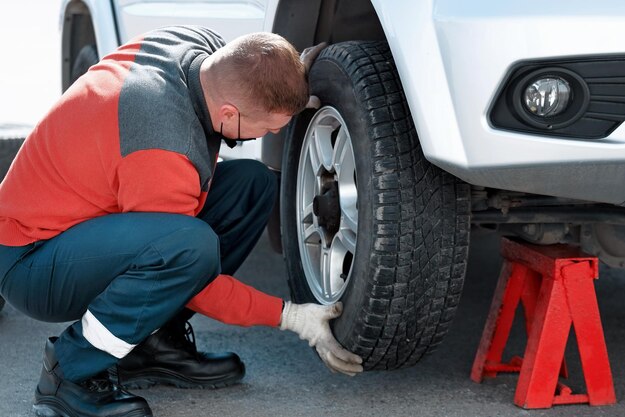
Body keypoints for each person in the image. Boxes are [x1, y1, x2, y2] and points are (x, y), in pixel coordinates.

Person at [0, 25, 362, 417]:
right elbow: (194, 281)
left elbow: (254, 65)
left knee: (251, 186)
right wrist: (291, 317)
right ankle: (70, 372)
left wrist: (291, 76)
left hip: (82, 221)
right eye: (270, 127)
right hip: (31, 260)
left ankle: (150, 345)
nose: (275, 132)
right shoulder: (160, 149)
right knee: (189, 250)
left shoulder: (197, 49)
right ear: (229, 113)